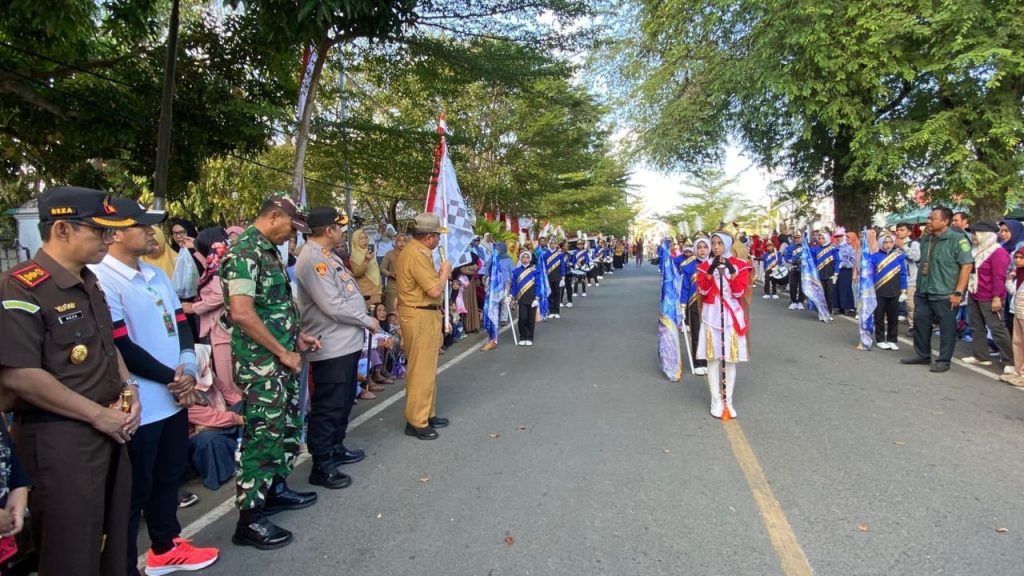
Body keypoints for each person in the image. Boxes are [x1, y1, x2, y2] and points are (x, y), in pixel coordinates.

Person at [0, 186, 140, 576]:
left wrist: (130, 391)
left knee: (112, 544)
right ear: (61, 229)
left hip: (110, 432)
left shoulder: (89, 282)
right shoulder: (21, 287)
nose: (109, 238)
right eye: (98, 230)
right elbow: (21, 376)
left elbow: (107, 347)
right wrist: (98, 415)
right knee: (70, 553)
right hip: (61, 441)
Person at [88, 199, 220, 576]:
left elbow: (180, 322)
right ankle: (122, 566)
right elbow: (120, 343)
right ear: (114, 234)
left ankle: (166, 546)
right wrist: (173, 378)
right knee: (133, 494)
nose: (152, 232)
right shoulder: (103, 278)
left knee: (168, 476)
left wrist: (190, 367)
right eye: (141, 226)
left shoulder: (154, 274)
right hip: (139, 404)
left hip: (174, 397)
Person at [219, 195, 322, 549]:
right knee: (261, 439)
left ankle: (275, 490)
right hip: (262, 365)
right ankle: (248, 520)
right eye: (291, 228)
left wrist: (297, 336)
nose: (291, 236)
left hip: (281, 359)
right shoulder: (243, 253)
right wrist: (282, 351)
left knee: (285, 430)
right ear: (274, 216)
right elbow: (242, 313)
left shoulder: (266, 251)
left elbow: (272, 307)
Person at [295, 207, 378, 490]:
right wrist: (366, 319)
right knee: (328, 405)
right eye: (340, 227)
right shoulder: (312, 259)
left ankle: (336, 447)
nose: (344, 232)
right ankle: (322, 464)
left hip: (345, 342)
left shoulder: (327, 256)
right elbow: (331, 305)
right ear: (329, 230)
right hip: (330, 344)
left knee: (343, 401)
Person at [396, 213, 452, 440]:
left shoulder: (418, 252)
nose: (439, 240)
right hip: (419, 315)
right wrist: (445, 274)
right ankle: (417, 421)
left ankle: (426, 413)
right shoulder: (416, 255)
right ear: (428, 237)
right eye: (437, 235)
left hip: (424, 314)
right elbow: (434, 291)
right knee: (420, 371)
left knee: (426, 369)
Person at [901, 207, 973, 373]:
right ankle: (922, 355)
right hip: (924, 290)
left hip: (945, 293)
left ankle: (944, 360)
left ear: (945, 221)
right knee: (921, 323)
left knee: (947, 327)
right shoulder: (927, 239)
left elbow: (966, 266)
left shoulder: (958, 240)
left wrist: (958, 292)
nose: (929, 222)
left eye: (933, 218)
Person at [696, 231, 752, 419]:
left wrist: (732, 271)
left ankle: (728, 399)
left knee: (730, 359)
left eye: (720, 243)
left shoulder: (741, 266)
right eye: (714, 243)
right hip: (711, 315)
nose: (716, 247)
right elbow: (703, 290)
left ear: (727, 244)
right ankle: (715, 399)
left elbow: (738, 293)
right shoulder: (704, 266)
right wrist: (711, 271)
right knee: (712, 359)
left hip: (731, 316)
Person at [959, 220, 1014, 370]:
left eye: (975, 233)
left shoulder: (998, 252)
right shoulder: (976, 250)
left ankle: (1010, 361)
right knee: (976, 326)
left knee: (997, 329)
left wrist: (997, 297)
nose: (973, 236)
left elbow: (999, 277)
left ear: (985, 234)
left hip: (991, 296)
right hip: (974, 293)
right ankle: (981, 355)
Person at [870, 232, 908, 350]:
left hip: (895, 290)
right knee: (879, 316)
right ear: (881, 243)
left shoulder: (899, 256)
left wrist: (904, 290)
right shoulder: (874, 257)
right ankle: (880, 339)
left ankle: (892, 339)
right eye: (886, 242)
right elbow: (870, 275)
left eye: (891, 242)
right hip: (879, 290)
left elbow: (903, 274)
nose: (888, 245)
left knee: (893, 317)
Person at [680, 237, 710, 375]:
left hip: (711, 304)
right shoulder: (688, 265)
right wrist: (683, 305)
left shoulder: (715, 263)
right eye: (699, 247)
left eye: (705, 247)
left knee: (710, 333)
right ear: (695, 249)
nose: (702, 250)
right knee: (697, 333)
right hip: (694, 303)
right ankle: (698, 362)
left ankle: (710, 360)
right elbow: (685, 287)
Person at [1001, 248, 1024, 387]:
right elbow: (1014, 291)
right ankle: (1019, 368)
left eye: (1021, 257)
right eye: (1016, 257)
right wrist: (1009, 279)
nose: (1017, 260)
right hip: (1017, 312)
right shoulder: (1020, 275)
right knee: (1017, 341)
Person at [510, 250, 540, 346]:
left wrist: (537, 297)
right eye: (523, 257)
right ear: (520, 259)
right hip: (521, 298)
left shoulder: (535, 271)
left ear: (530, 259)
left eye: (527, 257)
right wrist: (511, 296)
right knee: (522, 318)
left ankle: (530, 337)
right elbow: (514, 285)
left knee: (531, 318)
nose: (525, 259)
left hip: (532, 298)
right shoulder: (516, 272)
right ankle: (523, 336)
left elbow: (538, 285)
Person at [895, 222, 920, 328]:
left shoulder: (913, 244)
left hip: (910, 279)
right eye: (897, 230)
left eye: (902, 230)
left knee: (910, 305)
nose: (898, 232)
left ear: (909, 232)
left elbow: (916, 257)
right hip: (896, 278)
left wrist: (903, 247)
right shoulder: (893, 244)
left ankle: (913, 326)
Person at [350, 228, 382, 307]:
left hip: (376, 291)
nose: (364, 240)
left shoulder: (369, 252)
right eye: (361, 238)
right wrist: (366, 260)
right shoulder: (354, 256)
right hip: (367, 293)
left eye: (365, 238)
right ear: (355, 240)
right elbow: (357, 273)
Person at [380, 233, 407, 313]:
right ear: (395, 242)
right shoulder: (390, 254)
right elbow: (382, 268)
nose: (401, 243)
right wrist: (390, 274)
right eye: (399, 241)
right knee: (392, 311)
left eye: (404, 241)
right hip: (392, 287)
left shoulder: (409, 255)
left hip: (406, 287)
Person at [812, 230, 837, 313]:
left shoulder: (833, 249)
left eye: (823, 238)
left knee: (829, 294)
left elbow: (837, 261)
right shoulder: (815, 249)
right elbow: (812, 260)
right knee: (820, 293)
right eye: (819, 238)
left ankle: (829, 312)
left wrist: (836, 273)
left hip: (830, 274)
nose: (821, 240)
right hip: (819, 274)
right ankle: (821, 311)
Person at [541, 237, 563, 319]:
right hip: (548, 277)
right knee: (550, 294)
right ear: (549, 244)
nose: (553, 245)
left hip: (557, 276)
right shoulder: (545, 254)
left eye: (555, 243)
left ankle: (557, 311)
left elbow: (562, 266)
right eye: (551, 243)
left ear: (557, 244)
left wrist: (563, 277)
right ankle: (551, 310)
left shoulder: (560, 254)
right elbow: (543, 266)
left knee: (557, 294)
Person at [835, 230, 856, 314]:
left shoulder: (849, 247)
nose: (839, 238)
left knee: (845, 287)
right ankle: (836, 306)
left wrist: (845, 264)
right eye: (837, 237)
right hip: (836, 269)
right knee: (836, 287)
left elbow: (853, 260)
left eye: (840, 236)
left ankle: (846, 307)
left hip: (845, 270)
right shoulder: (834, 247)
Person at [784, 231, 806, 310]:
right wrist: (792, 261)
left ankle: (800, 301)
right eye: (795, 238)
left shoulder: (806, 247)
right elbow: (786, 258)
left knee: (802, 286)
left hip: (803, 269)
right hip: (793, 268)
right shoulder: (791, 247)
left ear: (802, 238)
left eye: (798, 238)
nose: (796, 239)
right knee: (792, 285)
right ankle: (793, 301)